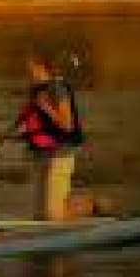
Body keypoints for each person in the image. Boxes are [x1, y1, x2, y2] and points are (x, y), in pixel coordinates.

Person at [18, 53, 90, 221]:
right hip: (40, 154)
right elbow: (38, 124)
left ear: (41, 67)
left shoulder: (57, 88)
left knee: (54, 214)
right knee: (39, 216)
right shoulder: (37, 90)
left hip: (61, 153)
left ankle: (93, 206)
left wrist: (46, 108)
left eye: (31, 68)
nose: (28, 73)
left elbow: (68, 124)